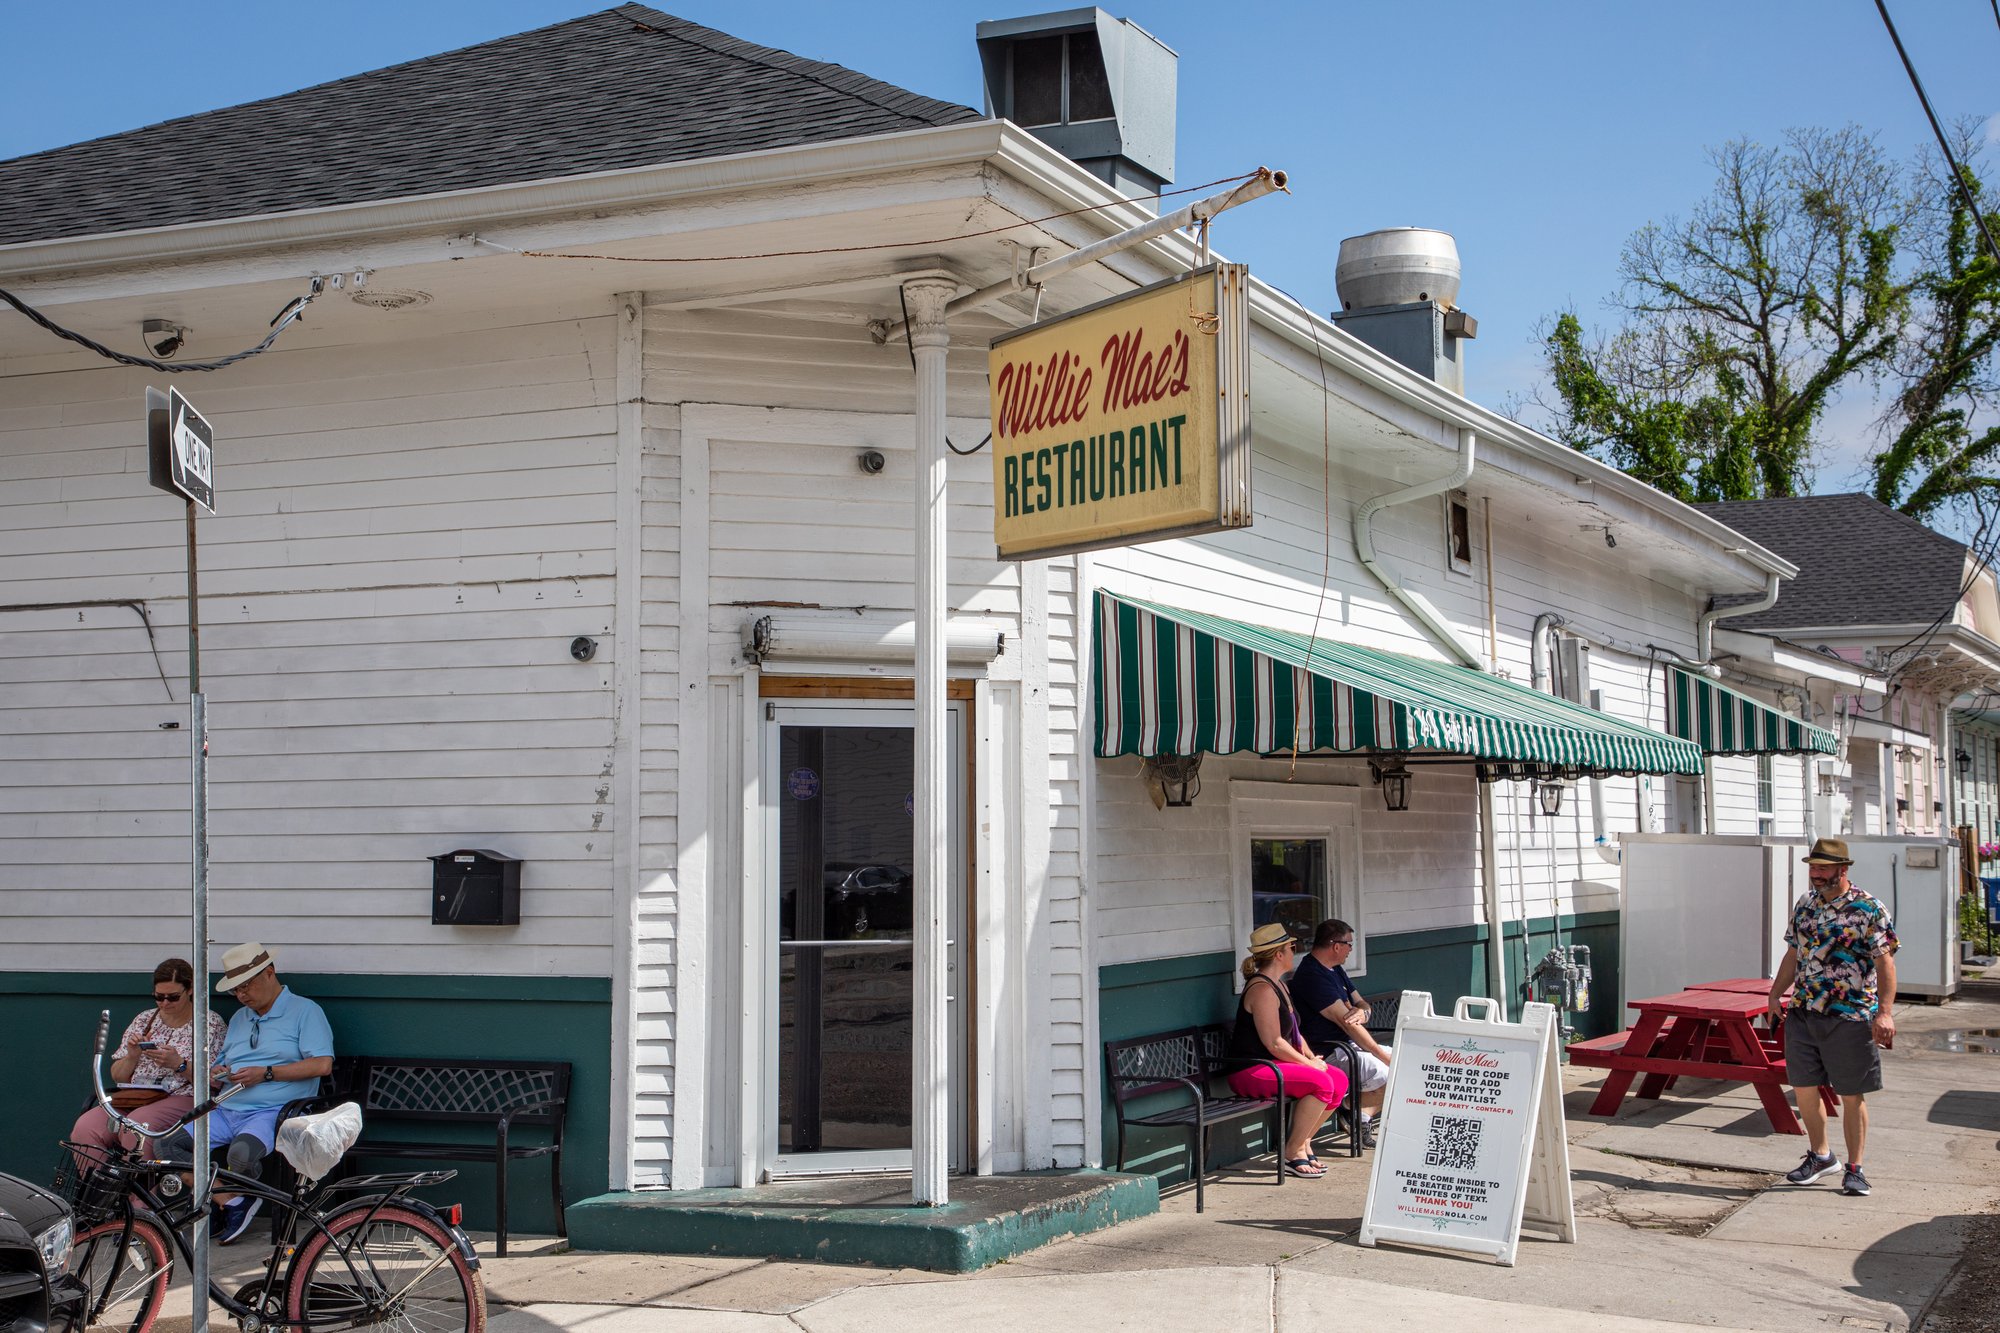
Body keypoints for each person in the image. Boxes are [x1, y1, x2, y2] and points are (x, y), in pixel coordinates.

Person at [166, 943, 334, 1243]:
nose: (241, 995)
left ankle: (226, 1201)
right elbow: (224, 1062)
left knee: (241, 1154)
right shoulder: (242, 1018)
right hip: (227, 1105)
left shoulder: (305, 1011)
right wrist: (218, 1072)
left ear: (269, 973)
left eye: (246, 986)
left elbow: (322, 1064)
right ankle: (232, 1201)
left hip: (275, 1109)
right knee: (169, 1146)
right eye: (235, 990)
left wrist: (267, 1073)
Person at [1768, 838, 1897, 1198]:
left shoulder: (1868, 908)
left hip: (1851, 1015)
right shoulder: (1806, 904)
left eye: (1823, 868)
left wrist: (1884, 1013)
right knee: (1805, 1089)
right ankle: (1821, 1156)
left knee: (1851, 1093)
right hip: (1804, 1011)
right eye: (1813, 867)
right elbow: (1794, 952)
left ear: (1843, 869)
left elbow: (1886, 962)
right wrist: (1776, 994)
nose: (1816, 874)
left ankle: (1855, 1169)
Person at [69, 958, 226, 1167]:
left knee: (137, 1128)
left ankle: (137, 1199)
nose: (165, 1003)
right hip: (136, 1096)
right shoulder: (145, 1019)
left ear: (190, 990)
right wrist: (132, 1055)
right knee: (85, 1128)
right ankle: (101, 1196)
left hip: (182, 1097)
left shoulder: (209, 1024)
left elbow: (215, 1083)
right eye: (159, 997)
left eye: (173, 997)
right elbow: (118, 1075)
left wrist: (179, 1065)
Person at [1223, 922, 1348, 1178]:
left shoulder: (1280, 984)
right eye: (1292, 947)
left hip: (1275, 1065)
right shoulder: (1262, 989)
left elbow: (1295, 1033)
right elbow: (1275, 1042)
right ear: (1279, 954)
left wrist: (1313, 1057)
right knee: (1322, 1083)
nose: (1296, 951)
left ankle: (1304, 1142)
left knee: (1339, 1079)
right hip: (1252, 1070)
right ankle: (1292, 1151)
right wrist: (1308, 1064)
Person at [1289, 919, 1393, 1148]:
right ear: (1336, 945)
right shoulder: (1312, 975)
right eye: (1349, 944)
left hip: (1349, 1045)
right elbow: (1346, 1023)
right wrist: (1381, 1054)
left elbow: (1361, 1004)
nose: (1350, 950)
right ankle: (1351, 1108)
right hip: (1329, 1051)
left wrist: (1364, 1013)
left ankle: (1358, 1114)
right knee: (1391, 1073)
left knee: (1404, 1064)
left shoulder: (1335, 969)